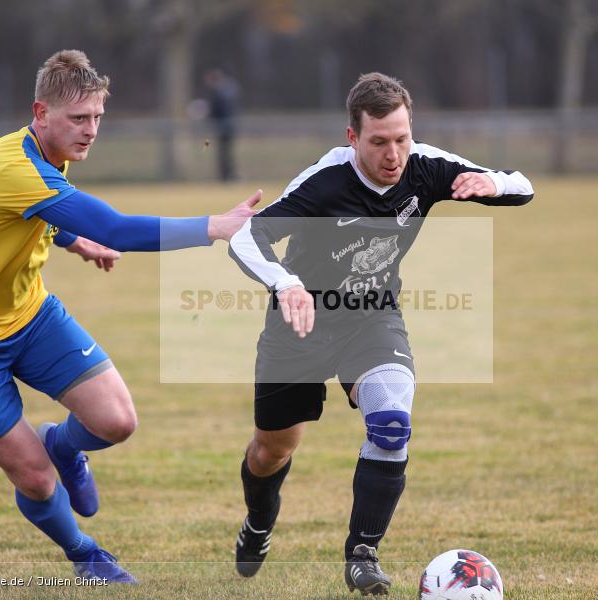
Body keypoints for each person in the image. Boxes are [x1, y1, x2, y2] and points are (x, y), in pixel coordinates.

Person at [0, 50, 260, 584]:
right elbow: (115, 227)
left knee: (117, 421)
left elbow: (35, 215)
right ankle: (84, 554)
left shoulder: (49, 154)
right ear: (39, 112)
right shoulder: (14, 168)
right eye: (78, 119)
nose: (91, 130)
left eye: (97, 117)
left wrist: (73, 241)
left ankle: (63, 443)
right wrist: (215, 225)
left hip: (27, 314)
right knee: (35, 478)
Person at [228, 72, 534, 595]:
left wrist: (494, 184)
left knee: (392, 423)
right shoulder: (323, 183)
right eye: (379, 142)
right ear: (353, 137)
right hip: (298, 326)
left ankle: (362, 554)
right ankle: (258, 523)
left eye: (402, 138)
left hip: (373, 318)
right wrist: (286, 284)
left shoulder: (425, 165)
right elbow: (244, 235)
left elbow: (522, 184)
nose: (394, 154)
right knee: (271, 451)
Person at [204, 68, 240, 181]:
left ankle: (227, 176)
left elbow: (218, 109)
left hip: (224, 126)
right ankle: (228, 175)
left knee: (224, 153)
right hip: (229, 126)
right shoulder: (229, 90)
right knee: (226, 152)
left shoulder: (219, 92)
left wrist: (208, 114)